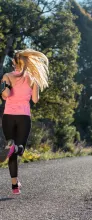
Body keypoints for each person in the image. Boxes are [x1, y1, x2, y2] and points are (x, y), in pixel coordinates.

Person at [1, 49, 49, 195]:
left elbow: (5, 96)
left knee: (11, 152)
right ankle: (15, 149)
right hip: (23, 117)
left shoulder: (7, 76)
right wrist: (35, 86)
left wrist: (8, 85)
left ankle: (15, 186)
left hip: (8, 116)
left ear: (14, 62)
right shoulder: (33, 78)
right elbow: (35, 100)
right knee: (19, 148)